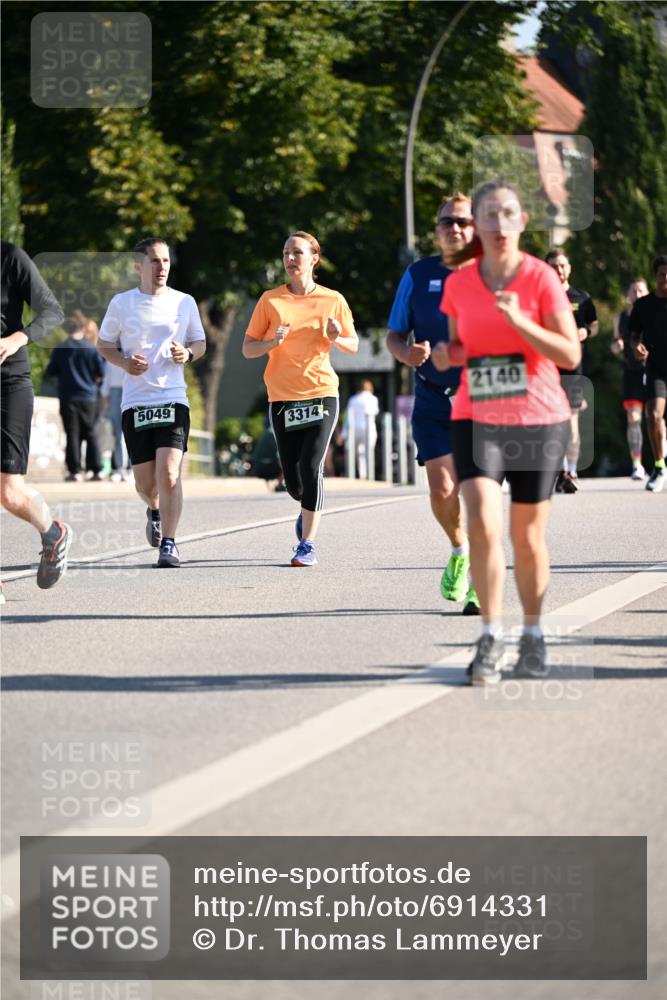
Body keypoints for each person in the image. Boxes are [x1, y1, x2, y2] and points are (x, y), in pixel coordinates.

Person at [432, 180, 580, 685]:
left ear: (522, 222)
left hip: (538, 417)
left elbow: (570, 353)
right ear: (477, 225)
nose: (499, 224)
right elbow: (458, 348)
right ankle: (491, 636)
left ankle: (533, 635)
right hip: (476, 416)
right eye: (489, 215)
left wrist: (520, 322)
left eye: (508, 214)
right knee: (482, 523)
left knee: (528, 537)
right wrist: (445, 355)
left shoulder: (540, 278)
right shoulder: (460, 284)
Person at [386, 193, 480, 615]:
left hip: (482, 401)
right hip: (432, 399)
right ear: (437, 230)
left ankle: (481, 581)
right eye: (447, 222)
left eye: (462, 221)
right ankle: (459, 549)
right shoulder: (418, 274)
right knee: (443, 490)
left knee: (478, 493)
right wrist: (406, 354)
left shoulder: (492, 273)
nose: (454, 228)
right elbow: (394, 334)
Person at [242, 230, 358, 566]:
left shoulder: (332, 299)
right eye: (286, 253)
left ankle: (307, 544)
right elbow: (248, 348)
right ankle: (306, 508)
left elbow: (352, 345)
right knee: (294, 481)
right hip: (282, 398)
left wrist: (336, 337)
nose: (290, 259)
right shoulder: (270, 300)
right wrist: (272, 343)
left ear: (314, 258)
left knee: (311, 467)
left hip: (321, 393)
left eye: (297, 252)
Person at [97, 237, 206, 567]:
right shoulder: (122, 303)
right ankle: (154, 509)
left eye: (166, 261)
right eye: (155, 261)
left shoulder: (184, 302)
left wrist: (187, 354)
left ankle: (169, 544)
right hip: (136, 402)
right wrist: (124, 362)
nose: (162, 267)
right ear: (138, 266)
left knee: (169, 473)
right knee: (146, 484)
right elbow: (104, 345)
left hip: (172, 398)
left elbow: (199, 342)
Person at [1, 241, 71, 593]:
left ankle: (53, 533)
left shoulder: (9, 257)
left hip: (8, 383)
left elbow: (52, 312)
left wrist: (18, 338)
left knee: (9, 492)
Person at [545, 249, 598, 493]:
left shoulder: (582, 297)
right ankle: (556, 470)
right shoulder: (540, 295)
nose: (559, 270)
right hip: (545, 368)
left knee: (571, 420)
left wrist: (586, 331)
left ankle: (571, 471)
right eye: (553, 266)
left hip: (573, 368)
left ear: (569, 268)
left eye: (562, 265)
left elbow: (594, 325)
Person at [44, 314, 106, 482]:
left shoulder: (61, 348)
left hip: (68, 396)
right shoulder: (91, 348)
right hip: (89, 397)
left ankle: (75, 471)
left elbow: (50, 371)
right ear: (82, 328)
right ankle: (96, 470)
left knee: (72, 433)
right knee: (91, 432)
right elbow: (101, 372)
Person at [630, 254, 667, 493]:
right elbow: (634, 335)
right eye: (662, 274)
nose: (666, 279)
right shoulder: (644, 305)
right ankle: (659, 466)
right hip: (657, 367)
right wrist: (637, 347)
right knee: (653, 415)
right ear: (655, 277)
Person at [611, 277, 649, 479]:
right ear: (628, 295)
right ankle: (637, 464)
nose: (637, 294)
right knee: (634, 419)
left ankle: (660, 460)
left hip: (653, 372)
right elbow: (615, 343)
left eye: (641, 290)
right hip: (631, 372)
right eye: (634, 290)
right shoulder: (620, 318)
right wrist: (616, 346)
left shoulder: (655, 314)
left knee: (655, 417)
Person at [342, 379, 379, 478]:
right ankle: (368, 474)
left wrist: (344, 433)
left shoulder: (353, 399)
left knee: (356, 452)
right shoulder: (373, 399)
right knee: (368, 452)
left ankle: (357, 474)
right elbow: (374, 412)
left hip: (354, 429)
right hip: (369, 428)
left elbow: (347, 417)